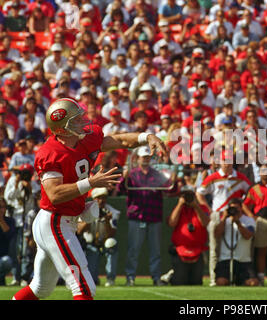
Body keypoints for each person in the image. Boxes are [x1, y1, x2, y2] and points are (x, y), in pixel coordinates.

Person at [13, 97, 167, 300]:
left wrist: (147, 137)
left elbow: (119, 140)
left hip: (60, 221)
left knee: (41, 288)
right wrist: (90, 184)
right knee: (84, 288)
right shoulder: (51, 153)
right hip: (55, 221)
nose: (82, 121)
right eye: (75, 120)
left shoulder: (86, 139)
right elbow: (54, 194)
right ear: (62, 129)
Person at [117, 145, 176, 287]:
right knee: (133, 251)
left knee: (155, 251)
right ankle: (130, 278)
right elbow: (120, 190)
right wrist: (123, 178)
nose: (145, 160)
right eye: (144, 157)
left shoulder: (157, 174)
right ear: (137, 159)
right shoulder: (131, 174)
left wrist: (174, 180)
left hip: (154, 216)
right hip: (137, 217)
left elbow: (170, 190)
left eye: (148, 157)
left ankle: (156, 278)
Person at [196, 151, 252, 286]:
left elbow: (250, 193)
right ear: (219, 162)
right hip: (219, 213)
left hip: (236, 215)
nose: (226, 163)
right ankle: (214, 278)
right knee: (214, 247)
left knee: (238, 246)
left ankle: (237, 276)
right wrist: (209, 209)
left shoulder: (241, 178)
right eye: (224, 160)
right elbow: (199, 193)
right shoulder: (213, 177)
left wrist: (243, 209)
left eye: (229, 160)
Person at [4, 163, 39, 286]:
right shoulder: (14, 181)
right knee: (15, 250)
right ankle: (16, 277)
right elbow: (8, 197)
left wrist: (29, 187)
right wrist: (16, 185)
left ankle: (25, 276)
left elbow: (36, 199)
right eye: (22, 173)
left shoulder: (33, 184)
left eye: (26, 174)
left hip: (27, 221)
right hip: (15, 219)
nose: (24, 176)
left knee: (26, 251)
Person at [166, 189, 210, 285]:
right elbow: (172, 222)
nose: (187, 199)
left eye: (190, 196)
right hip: (180, 250)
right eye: (185, 196)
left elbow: (205, 222)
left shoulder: (202, 208)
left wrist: (196, 206)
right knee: (180, 281)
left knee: (196, 282)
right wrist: (180, 204)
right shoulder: (178, 208)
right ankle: (172, 275)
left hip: (197, 251)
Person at [78, 187, 121, 287]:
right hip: (91, 244)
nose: (101, 201)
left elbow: (112, 234)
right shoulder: (85, 210)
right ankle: (92, 278)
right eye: (98, 198)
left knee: (111, 243)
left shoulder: (112, 212)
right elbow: (79, 230)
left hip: (105, 242)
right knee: (92, 280)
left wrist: (106, 220)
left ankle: (110, 278)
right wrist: (91, 218)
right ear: (94, 199)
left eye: (104, 198)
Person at [214, 198, 258, 286]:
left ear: (241, 208)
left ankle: (240, 281)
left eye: (237, 208)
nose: (235, 211)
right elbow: (217, 234)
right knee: (221, 282)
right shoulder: (224, 221)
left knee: (253, 283)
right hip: (226, 259)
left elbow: (248, 236)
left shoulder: (249, 221)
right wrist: (224, 218)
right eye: (232, 208)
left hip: (243, 260)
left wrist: (238, 222)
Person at [0, 197, 15, 286]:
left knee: (7, 261)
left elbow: (9, 235)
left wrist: (1, 220)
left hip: (2, 258)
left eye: (3, 207)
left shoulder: (10, 221)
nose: (1, 209)